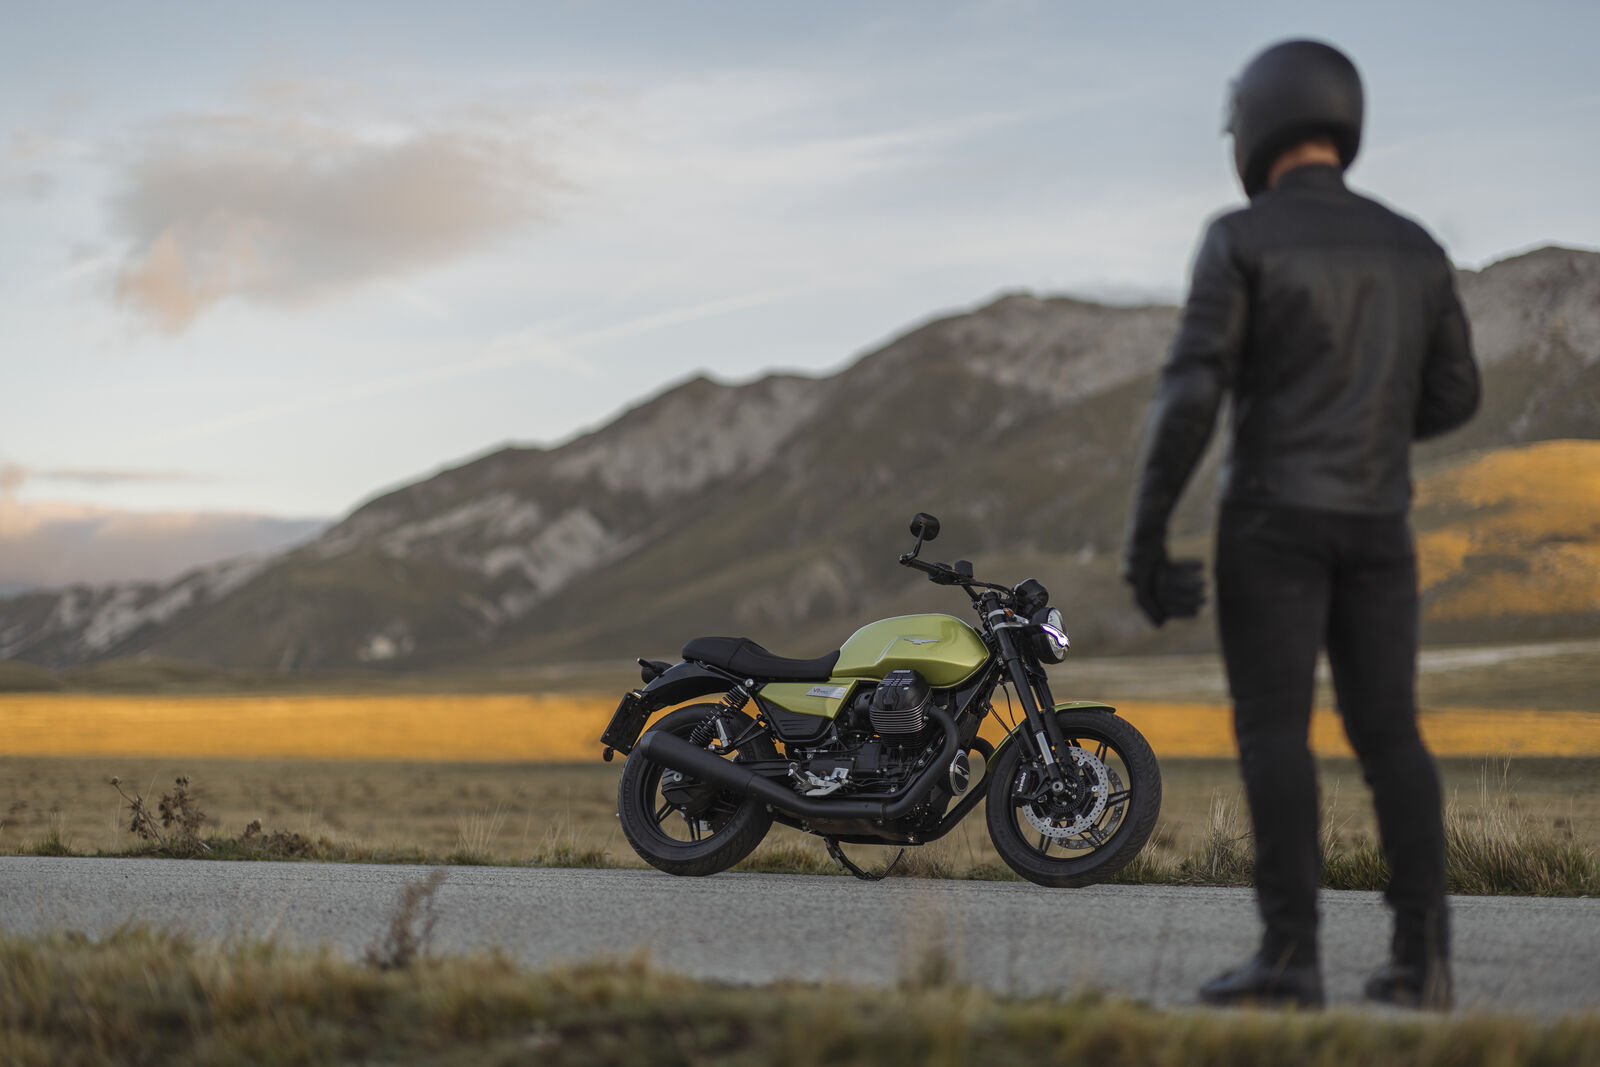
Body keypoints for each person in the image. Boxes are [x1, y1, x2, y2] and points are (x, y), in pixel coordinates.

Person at [1122, 39, 1480, 1010]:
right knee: (1390, 731)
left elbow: (1189, 393)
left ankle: (1289, 956)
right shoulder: (1415, 246)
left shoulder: (1241, 237)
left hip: (1270, 518)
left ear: (1257, 121)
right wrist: (1370, 425)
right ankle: (1424, 957)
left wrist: (1146, 536)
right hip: (1378, 522)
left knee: (1274, 729)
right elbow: (1456, 392)